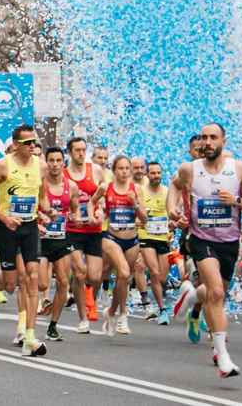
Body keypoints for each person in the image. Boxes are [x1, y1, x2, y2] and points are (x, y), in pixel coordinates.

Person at [170, 123, 242, 378]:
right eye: (203, 138)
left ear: (223, 140)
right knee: (217, 292)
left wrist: (236, 201)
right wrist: (172, 211)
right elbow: (175, 187)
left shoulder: (238, 169)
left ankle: (189, 297)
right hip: (201, 238)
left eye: (213, 137)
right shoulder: (190, 169)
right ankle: (223, 356)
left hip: (229, 242)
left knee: (214, 293)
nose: (207, 142)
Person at [0, 124, 48, 357]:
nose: (33, 147)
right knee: (8, 284)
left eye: (35, 142)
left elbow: (43, 198)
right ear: (17, 145)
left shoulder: (42, 166)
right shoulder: (3, 165)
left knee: (32, 278)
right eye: (28, 143)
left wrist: (49, 212)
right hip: (7, 227)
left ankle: (30, 335)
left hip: (29, 227)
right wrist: (4, 217)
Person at [89, 155, 144, 336]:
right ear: (114, 170)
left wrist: (134, 204)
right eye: (120, 168)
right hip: (111, 237)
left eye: (127, 168)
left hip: (132, 239)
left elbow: (145, 219)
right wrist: (94, 215)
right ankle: (123, 315)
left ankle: (111, 311)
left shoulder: (136, 189)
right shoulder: (106, 187)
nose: (124, 172)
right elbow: (92, 202)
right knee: (125, 272)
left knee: (124, 278)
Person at [63, 137, 104, 332]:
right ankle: (83, 318)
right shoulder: (63, 175)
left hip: (93, 230)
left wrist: (100, 212)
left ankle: (90, 299)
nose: (81, 153)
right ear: (70, 152)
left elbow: (104, 196)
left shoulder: (94, 170)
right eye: (77, 150)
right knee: (80, 273)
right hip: (72, 230)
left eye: (83, 149)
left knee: (95, 277)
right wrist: (68, 215)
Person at [38, 147, 77, 341]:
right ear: (46, 163)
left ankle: (53, 325)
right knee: (42, 283)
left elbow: (76, 212)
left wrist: (73, 216)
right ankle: (42, 304)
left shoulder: (71, 187)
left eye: (58, 160)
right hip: (41, 239)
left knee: (63, 282)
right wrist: (40, 217)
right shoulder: (39, 185)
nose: (54, 164)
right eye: (51, 160)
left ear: (63, 163)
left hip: (62, 239)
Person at [137, 160, 171, 324]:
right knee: (155, 273)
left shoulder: (167, 191)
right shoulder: (141, 191)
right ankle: (162, 309)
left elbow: (172, 213)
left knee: (162, 277)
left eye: (158, 173)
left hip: (162, 237)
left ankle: (157, 291)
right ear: (147, 175)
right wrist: (140, 219)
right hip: (146, 236)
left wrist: (174, 222)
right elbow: (138, 212)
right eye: (153, 173)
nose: (156, 176)